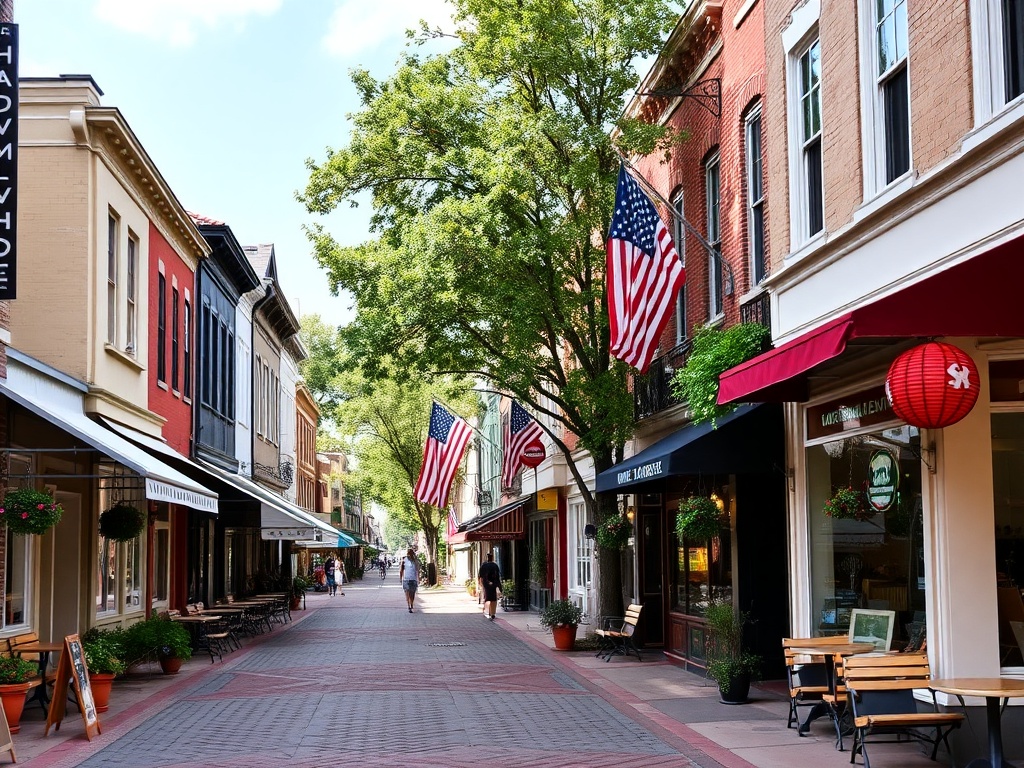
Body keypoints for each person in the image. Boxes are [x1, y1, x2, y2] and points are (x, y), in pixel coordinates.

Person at [478, 553, 501, 620]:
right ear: (492, 558)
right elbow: (498, 576)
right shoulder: (495, 565)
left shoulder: (484, 565)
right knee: (493, 599)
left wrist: (480, 584)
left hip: (486, 584)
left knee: (486, 597)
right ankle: (492, 613)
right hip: (493, 584)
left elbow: (480, 576)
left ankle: (485, 611)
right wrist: (498, 585)